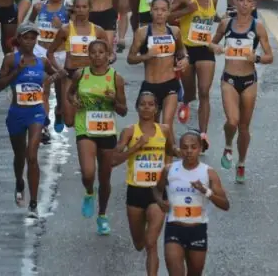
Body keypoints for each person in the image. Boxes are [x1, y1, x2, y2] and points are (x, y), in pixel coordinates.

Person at [0, 22, 65, 218]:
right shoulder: (11, 59)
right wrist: (17, 71)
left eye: (33, 38)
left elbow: (58, 74)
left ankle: (33, 204)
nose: (29, 41)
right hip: (16, 113)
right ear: (18, 39)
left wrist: (48, 80)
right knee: (19, 156)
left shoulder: (41, 61)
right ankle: (19, 180)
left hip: (35, 112)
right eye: (26, 37)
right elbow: (0, 85)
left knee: (31, 155)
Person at [209, 0, 273, 183]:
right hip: (228, 78)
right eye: (241, 0)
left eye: (249, 1)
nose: (245, 4)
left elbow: (270, 56)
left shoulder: (258, 27)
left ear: (253, 5)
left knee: (244, 127)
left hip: (248, 81)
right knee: (232, 121)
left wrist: (258, 57)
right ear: (235, 3)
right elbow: (211, 43)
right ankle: (228, 144)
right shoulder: (226, 24)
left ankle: (242, 163)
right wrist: (217, 48)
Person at [69, 39, 128, 235]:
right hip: (84, 127)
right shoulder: (80, 74)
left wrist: (113, 100)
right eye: (93, 53)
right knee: (88, 172)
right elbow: (70, 94)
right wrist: (74, 100)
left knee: (104, 178)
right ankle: (88, 192)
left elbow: (123, 110)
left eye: (101, 53)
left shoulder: (115, 78)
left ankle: (102, 215)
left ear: (108, 55)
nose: (96, 56)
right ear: (88, 55)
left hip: (107, 131)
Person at [112, 91, 173, 276]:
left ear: (156, 109)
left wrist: (167, 169)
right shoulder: (129, 132)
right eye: (143, 104)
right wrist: (136, 147)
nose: (147, 107)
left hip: (158, 192)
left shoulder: (164, 130)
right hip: (136, 192)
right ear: (137, 108)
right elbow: (114, 160)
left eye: (151, 104)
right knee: (139, 243)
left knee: (151, 243)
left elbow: (170, 150)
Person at [153, 132, 230, 276]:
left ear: (200, 148)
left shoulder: (208, 173)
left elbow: (225, 204)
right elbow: (156, 190)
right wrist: (160, 202)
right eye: (185, 147)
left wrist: (205, 191)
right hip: (174, 228)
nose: (189, 151)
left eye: (193, 147)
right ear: (179, 149)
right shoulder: (169, 170)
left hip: (197, 230)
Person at [127, 0, 188, 146]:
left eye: (163, 10)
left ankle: (171, 158)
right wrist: (147, 56)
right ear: (151, 11)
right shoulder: (142, 32)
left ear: (168, 12)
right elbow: (130, 58)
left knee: (166, 124)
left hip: (170, 84)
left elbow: (181, 50)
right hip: (150, 86)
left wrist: (185, 59)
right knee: (152, 127)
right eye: (156, 9)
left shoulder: (174, 31)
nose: (159, 13)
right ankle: (157, 157)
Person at [169, 0, 217, 151]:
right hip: (186, 49)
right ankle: (187, 101)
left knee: (204, 92)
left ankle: (203, 134)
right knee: (190, 91)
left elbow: (211, 20)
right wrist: (187, 10)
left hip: (205, 49)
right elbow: (166, 16)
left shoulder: (213, 0)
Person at [28, 0, 69, 134]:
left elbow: (75, 31)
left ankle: (59, 111)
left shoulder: (68, 8)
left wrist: (63, 26)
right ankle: (43, 123)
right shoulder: (39, 7)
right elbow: (30, 25)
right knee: (43, 87)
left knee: (60, 92)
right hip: (42, 52)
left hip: (60, 54)